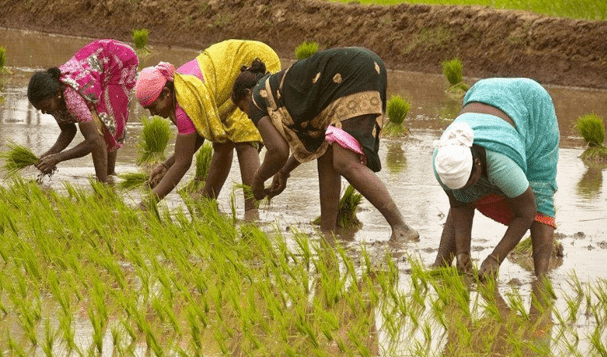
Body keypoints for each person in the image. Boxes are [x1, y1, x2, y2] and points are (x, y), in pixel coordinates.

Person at [230, 46, 419, 241]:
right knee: (328, 155)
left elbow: (277, 151)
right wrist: (284, 172)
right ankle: (328, 231)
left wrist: (258, 180)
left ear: (246, 93)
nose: (250, 116)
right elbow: (313, 146)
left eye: (244, 111)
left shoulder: (256, 98)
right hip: (363, 65)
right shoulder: (280, 91)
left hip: (350, 74)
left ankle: (401, 227)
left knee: (344, 162)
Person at [432, 78, 559, 280]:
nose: (465, 188)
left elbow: (527, 211)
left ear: (478, 165)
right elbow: (459, 204)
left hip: (532, 104)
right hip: (482, 92)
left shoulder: (502, 165)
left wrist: (495, 258)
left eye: (468, 181)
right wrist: (463, 253)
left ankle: (541, 280)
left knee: (540, 189)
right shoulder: (443, 160)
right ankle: (441, 265)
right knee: (464, 193)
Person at [134, 39, 281, 215]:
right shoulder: (176, 90)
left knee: (244, 138)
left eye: (153, 107)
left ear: (166, 94)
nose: (152, 114)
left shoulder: (184, 102)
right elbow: (195, 139)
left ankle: (251, 213)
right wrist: (166, 165)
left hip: (250, 60)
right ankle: (207, 203)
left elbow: (183, 163)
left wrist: (146, 204)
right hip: (228, 68)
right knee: (223, 142)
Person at [27, 39, 139, 183]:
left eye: (46, 107)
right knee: (100, 125)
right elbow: (68, 130)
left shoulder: (71, 97)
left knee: (105, 124)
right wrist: (50, 154)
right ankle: (108, 175)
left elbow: (93, 141)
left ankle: (103, 184)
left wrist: (58, 158)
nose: (44, 112)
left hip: (119, 59)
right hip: (98, 61)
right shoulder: (53, 99)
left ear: (57, 94)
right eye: (40, 109)